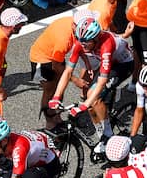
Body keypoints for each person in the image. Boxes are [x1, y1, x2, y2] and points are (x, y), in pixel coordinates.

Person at [50, 18, 134, 155]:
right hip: (107, 63)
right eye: (80, 40)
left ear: (96, 38)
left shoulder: (106, 44)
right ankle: (100, 132)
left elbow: (101, 82)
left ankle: (108, 134)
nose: (82, 45)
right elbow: (68, 71)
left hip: (123, 65)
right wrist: (56, 96)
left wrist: (85, 104)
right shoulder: (81, 43)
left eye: (86, 42)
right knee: (90, 101)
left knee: (93, 98)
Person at [28, 11, 90, 129]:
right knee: (50, 89)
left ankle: (57, 117)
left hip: (55, 55)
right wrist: (75, 79)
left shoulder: (74, 24)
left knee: (59, 88)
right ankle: (50, 122)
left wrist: (87, 62)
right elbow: (57, 66)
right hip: (41, 58)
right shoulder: (64, 40)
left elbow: (80, 46)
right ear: (75, 25)